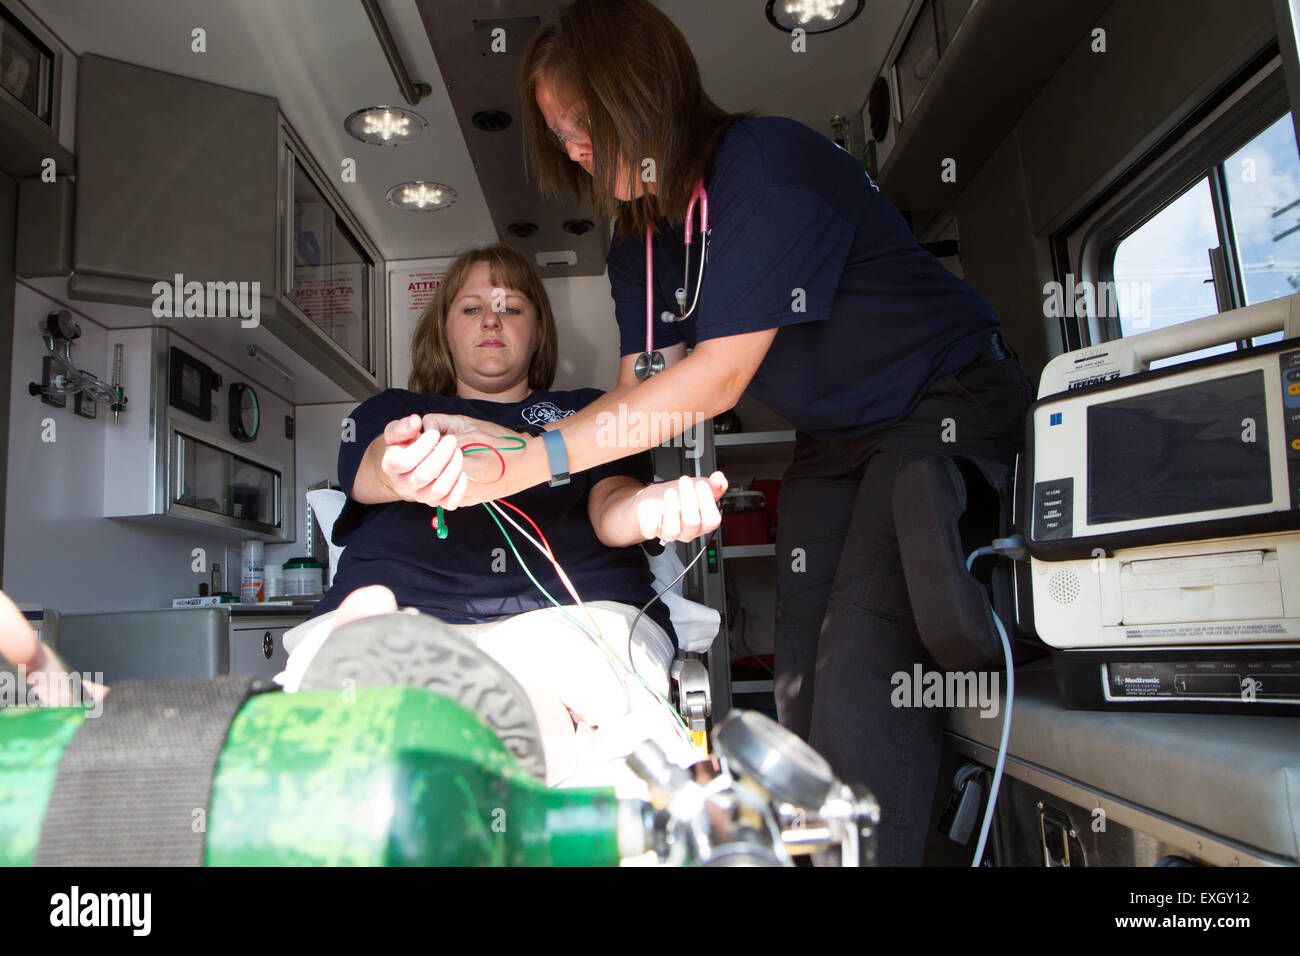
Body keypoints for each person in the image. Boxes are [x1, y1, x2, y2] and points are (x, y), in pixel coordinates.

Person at [414, 0, 1034, 865]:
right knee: (797, 676)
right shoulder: (638, 239)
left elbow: (715, 380)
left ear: (643, 87)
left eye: (584, 122)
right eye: (560, 135)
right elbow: (643, 387)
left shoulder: (767, 166)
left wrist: (528, 457)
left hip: (943, 396)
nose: (575, 150)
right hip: (837, 436)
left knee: (859, 661)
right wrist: (518, 454)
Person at [278, 242, 728, 785]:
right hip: (408, 606)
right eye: (471, 308)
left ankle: (446, 723)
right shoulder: (393, 411)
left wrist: (653, 506)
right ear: (443, 328)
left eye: (511, 307)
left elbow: (612, 511)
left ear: (537, 330)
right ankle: (436, 709)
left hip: (563, 618)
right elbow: (370, 474)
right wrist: (403, 467)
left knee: (539, 698)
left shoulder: (588, 413)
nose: (491, 319)